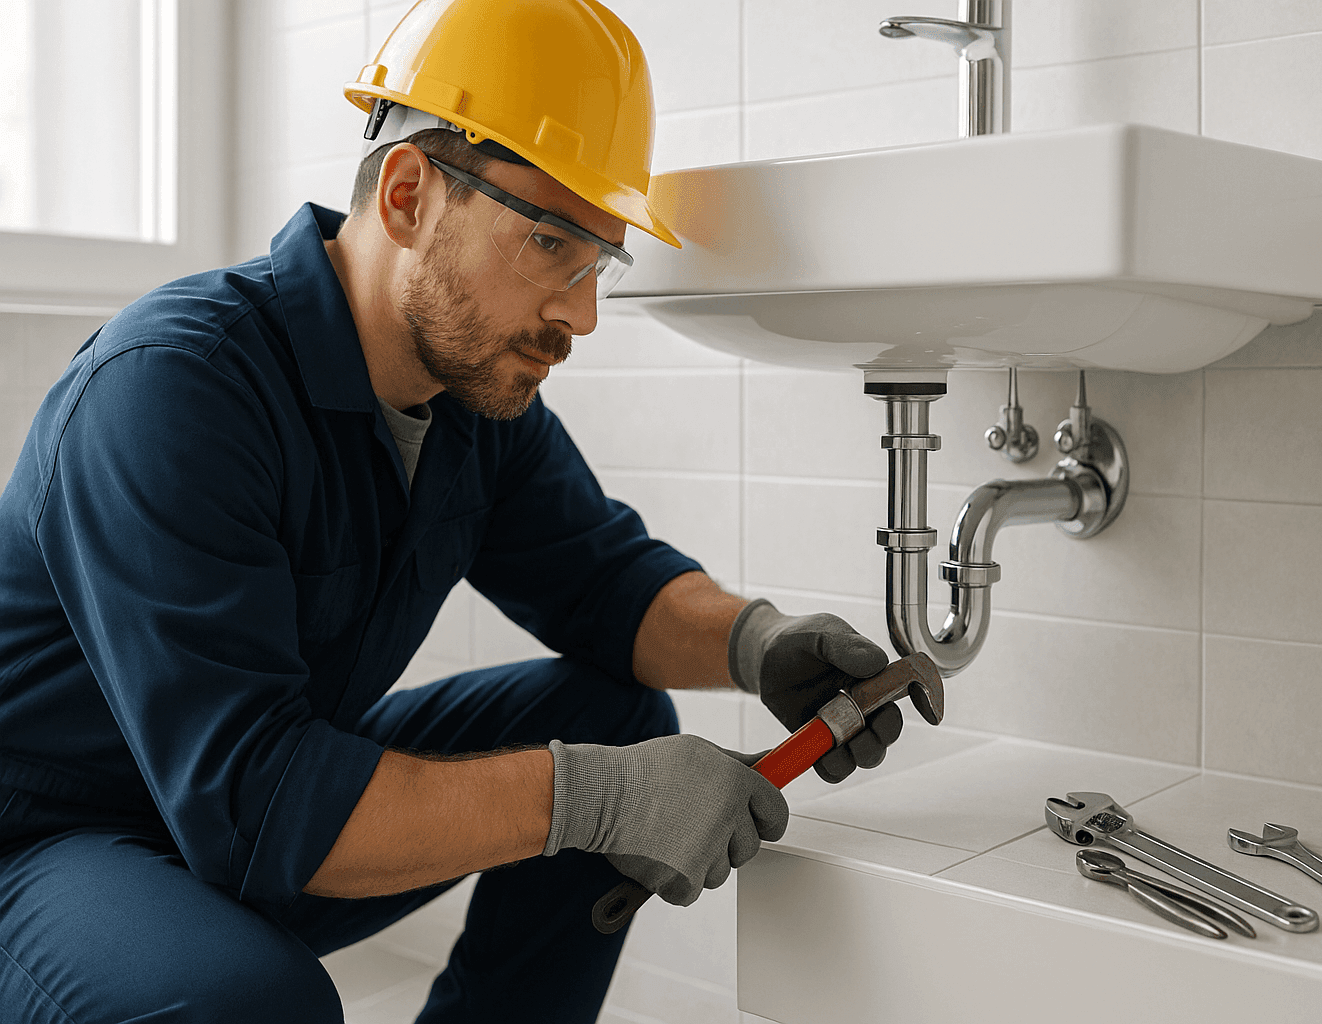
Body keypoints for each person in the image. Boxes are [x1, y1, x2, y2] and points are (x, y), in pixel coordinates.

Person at [0, 2, 904, 1021]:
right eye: (552, 241)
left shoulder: (466, 395)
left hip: (226, 816)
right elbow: (258, 800)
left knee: (610, 713)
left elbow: (603, 580)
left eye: (599, 261)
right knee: (245, 1002)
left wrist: (758, 643)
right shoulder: (176, 389)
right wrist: (601, 797)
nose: (581, 313)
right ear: (406, 195)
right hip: (44, 848)